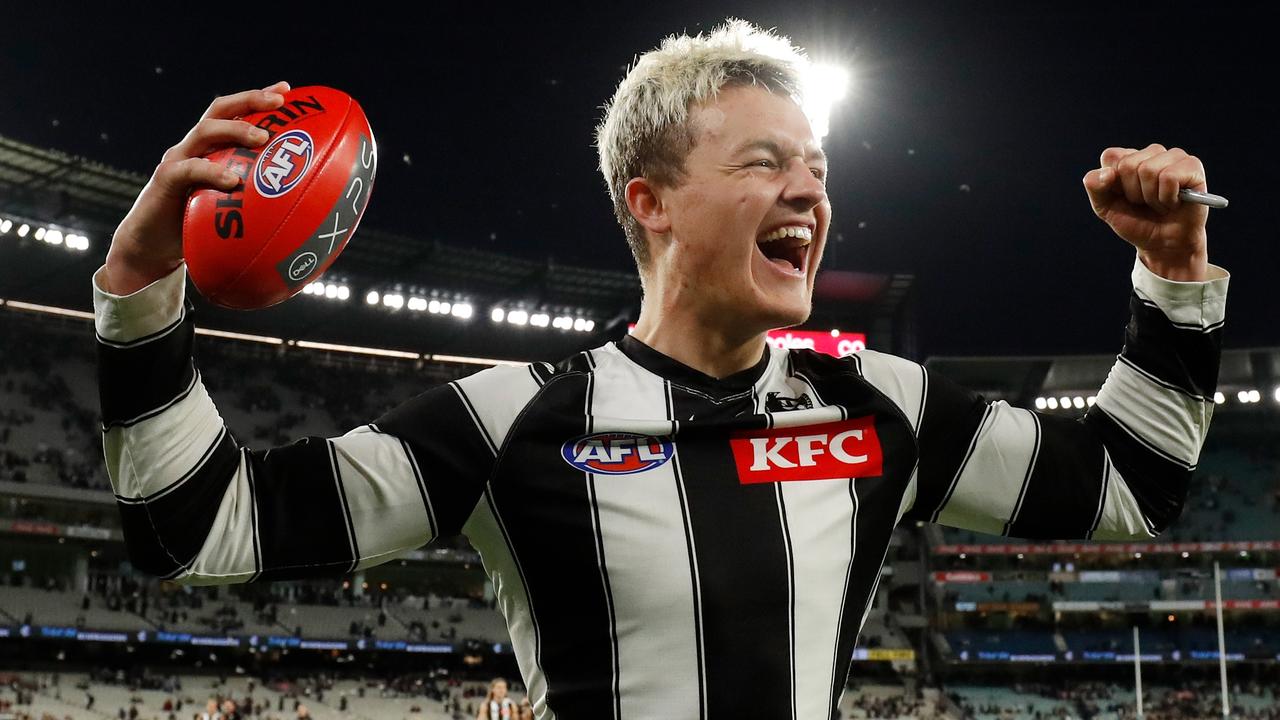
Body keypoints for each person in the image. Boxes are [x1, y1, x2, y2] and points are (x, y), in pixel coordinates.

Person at [93, 18, 1227, 720]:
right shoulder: (510, 422)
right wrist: (141, 280)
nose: (809, 193)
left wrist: (1172, 275)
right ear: (651, 203)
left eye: (817, 167)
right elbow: (200, 526)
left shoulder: (882, 404)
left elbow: (1130, 485)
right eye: (763, 162)